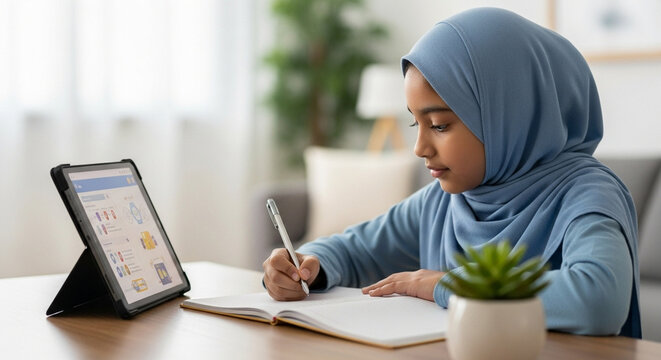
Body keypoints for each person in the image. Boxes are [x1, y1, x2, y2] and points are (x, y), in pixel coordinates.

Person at [262, 7, 641, 337]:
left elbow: (598, 299)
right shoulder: (446, 201)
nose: (420, 148)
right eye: (416, 125)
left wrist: (449, 285)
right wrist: (305, 265)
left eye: (440, 125)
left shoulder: (588, 193)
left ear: (505, 117)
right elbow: (355, 249)